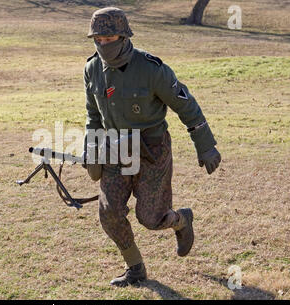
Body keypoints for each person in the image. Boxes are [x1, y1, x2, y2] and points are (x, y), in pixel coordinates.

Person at [82, 7, 221, 287]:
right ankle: (135, 268)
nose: (103, 45)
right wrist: (91, 147)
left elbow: (186, 105)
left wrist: (205, 146)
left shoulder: (150, 69)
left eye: (109, 38)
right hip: (115, 149)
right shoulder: (92, 69)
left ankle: (181, 221)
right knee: (108, 212)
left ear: (124, 36)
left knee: (151, 217)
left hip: (151, 150)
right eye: (98, 39)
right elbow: (93, 116)